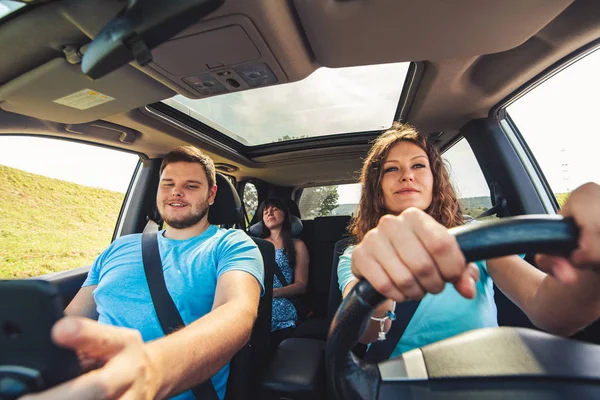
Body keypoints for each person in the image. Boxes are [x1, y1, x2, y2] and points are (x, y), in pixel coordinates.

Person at [338, 121, 600, 359]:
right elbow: (368, 335)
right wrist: (377, 286)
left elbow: (549, 309)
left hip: (483, 376)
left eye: (418, 165)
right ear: (377, 190)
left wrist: (591, 265)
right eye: (391, 169)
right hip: (402, 383)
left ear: (435, 180)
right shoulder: (357, 254)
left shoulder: (476, 237)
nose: (407, 175)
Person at [22, 146, 265, 400]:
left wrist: (152, 370)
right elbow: (72, 320)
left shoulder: (233, 244)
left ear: (212, 194)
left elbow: (236, 313)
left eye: (191, 186)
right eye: (167, 184)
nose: (176, 192)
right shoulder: (120, 247)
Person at [257, 198, 309, 351]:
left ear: (285, 215)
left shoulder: (296, 245)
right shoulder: (254, 244)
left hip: (280, 300)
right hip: (255, 297)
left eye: (274, 209)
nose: (269, 213)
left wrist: (271, 294)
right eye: (265, 211)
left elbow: (301, 286)